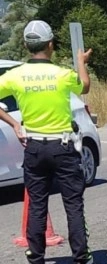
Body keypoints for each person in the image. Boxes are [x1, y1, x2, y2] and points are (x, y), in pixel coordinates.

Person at [0, 20, 93, 264]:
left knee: (37, 204)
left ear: (25, 45)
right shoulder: (62, 74)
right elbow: (85, 86)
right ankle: (81, 256)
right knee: (73, 203)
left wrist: (14, 124)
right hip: (62, 147)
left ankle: (36, 255)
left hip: (34, 147)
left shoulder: (14, 76)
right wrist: (81, 62)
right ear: (50, 45)